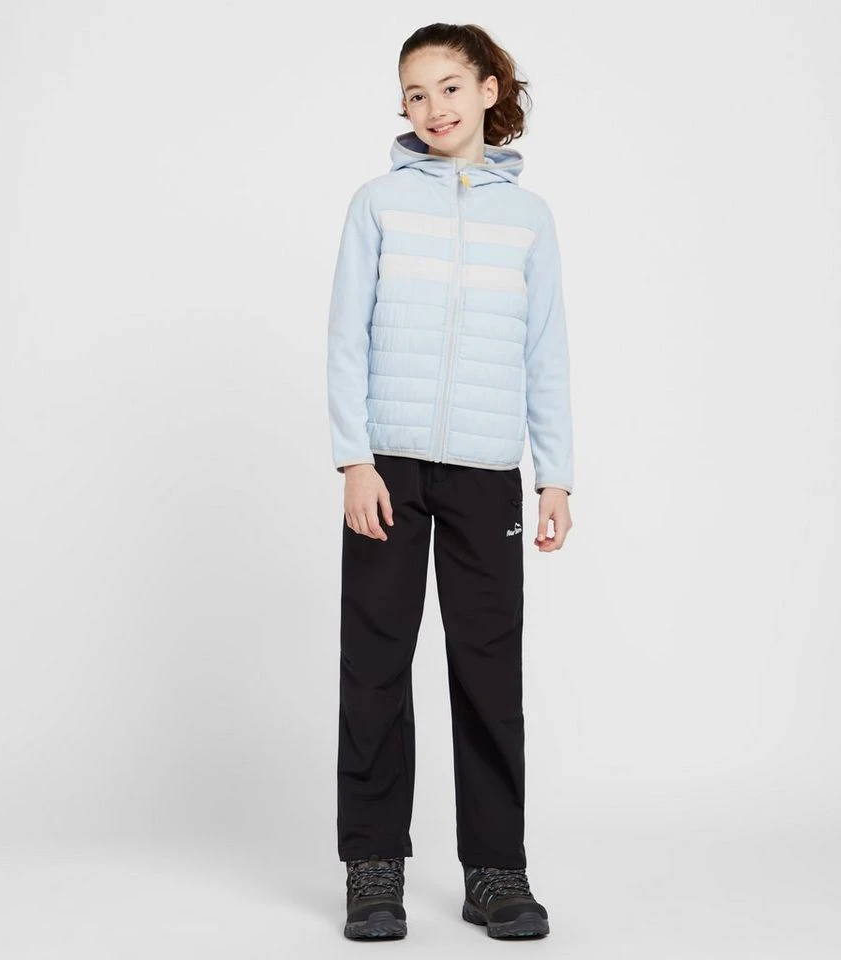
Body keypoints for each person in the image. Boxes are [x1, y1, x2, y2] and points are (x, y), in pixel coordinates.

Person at [326, 22, 574, 941]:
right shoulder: (378, 205)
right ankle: (373, 869)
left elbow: (545, 352)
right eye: (414, 93)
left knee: (488, 672)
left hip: (486, 474)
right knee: (375, 668)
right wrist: (355, 458)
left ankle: (496, 872)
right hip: (387, 471)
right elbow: (346, 335)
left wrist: (556, 476)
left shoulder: (529, 219)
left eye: (449, 87)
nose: (432, 107)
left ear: (488, 89)